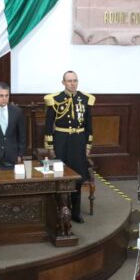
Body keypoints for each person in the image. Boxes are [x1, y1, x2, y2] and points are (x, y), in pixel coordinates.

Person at [44, 71, 94, 223]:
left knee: (78, 178)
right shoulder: (55, 99)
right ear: (63, 82)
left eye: (75, 80)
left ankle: (76, 212)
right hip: (61, 140)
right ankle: (60, 209)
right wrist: (50, 146)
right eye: (69, 81)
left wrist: (88, 144)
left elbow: (88, 124)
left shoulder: (85, 99)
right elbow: (48, 125)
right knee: (60, 175)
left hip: (78, 140)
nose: (73, 83)